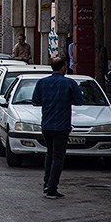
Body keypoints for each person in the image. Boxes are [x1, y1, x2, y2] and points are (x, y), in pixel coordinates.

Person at [32, 56, 83, 199]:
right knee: (58, 157)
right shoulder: (69, 83)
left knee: (50, 153)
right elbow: (79, 101)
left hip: (46, 124)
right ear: (63, 67)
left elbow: (35, 102)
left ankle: (46, 183)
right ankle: (52, 187)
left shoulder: (42, 83)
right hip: (62, 125)